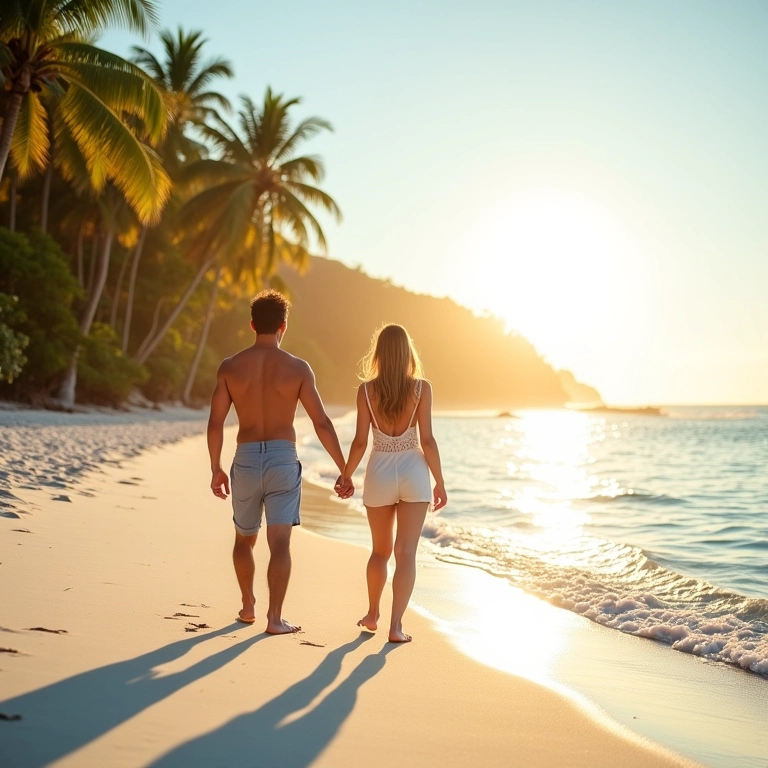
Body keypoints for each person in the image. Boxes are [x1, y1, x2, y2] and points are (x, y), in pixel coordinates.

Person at [208, 290, 347, 634]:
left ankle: (247, 605)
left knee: (244, 538)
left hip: (246, 456)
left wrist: (216, 468)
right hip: (283, 459)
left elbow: (215, 423)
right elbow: (322, 422)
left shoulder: (230, 367)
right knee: (280, 542)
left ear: (252, 324)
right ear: (284, 325)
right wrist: (344, 469)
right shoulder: (298, 368)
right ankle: (274, 619)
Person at [335, 324, 447, 642]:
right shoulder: (422, 389)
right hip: (413, 470)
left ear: (379, 354)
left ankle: (372, 614)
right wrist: (440, 481)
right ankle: (396, 627)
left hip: (379, 471)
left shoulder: (366, 391)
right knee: (405, 552)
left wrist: (345, 475)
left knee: (380, 551)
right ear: (408, 353)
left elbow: (359, 442)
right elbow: (427, 440)